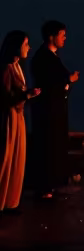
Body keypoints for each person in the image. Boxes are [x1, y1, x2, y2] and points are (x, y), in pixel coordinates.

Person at [29, 20, 80, 200]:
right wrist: (68, 81)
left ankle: (51, 183)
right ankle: (45, 186)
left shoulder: (50, 56)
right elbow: (50, 84)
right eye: (62, 35)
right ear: (52, 36)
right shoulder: (45, 58)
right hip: (48, 111)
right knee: (47, 146)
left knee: (53, 145)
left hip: (54, 110)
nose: (65, 38)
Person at [1, 32, 41, 214]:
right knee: (6, 157)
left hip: (17, 117)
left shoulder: (17, 66)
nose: (28, 47)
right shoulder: (6, 68)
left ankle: (10, 199)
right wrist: (27, 95)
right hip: (8, 118)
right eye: (26, 44)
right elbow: (4, 97)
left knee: (16, 157)